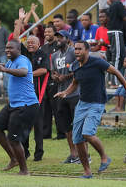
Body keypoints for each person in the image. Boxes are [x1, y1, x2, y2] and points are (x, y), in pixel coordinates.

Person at [55, 41, 126, 178]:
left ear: (87, 50)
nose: (76, 51)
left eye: (79, 49)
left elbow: (117, 73)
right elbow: (75, 82)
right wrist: (66, 92)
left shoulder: (97, 62)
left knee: (88, 134)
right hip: (82, 104)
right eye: (75, 49)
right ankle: (87, 172)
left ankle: (104, 157)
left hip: (96, 103)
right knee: (77, 139)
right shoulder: (75, 66)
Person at [0, 39, 39, 175]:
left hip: (26, 105)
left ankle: (24, 170)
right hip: (14, 104)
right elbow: (1, 65)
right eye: (6, 48)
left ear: (18, 50)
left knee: (14, 138)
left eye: (11, 48)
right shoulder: (11, 61)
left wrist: (5, 69)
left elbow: (23, 72)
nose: (7, 50)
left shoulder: (22, 60)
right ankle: (14, 158)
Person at [52, 30, 80, 164]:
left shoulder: (74, 52)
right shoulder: (54, 55)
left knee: (78, 125)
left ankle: (84, 154)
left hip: (74, 93)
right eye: (57, 37)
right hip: (61, 93)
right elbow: (53, 72)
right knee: (67, 127)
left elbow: (78, 70)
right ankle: (73, 154)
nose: (58, 39)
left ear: (67, 39)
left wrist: (66, 76)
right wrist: (56, 77)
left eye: (61, 37)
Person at [21, 35, 50, 161]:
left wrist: (27, 74)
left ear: (39, 44)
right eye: (28, 43)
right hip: (25, 95)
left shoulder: (43, 54)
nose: (30, 44)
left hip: (38, 94)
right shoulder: (24, 54)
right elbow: (15, 38)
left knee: (38, 125)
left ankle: (39, 153)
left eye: (33, 42)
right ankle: (25, 151)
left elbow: (43, 70)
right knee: (24, 124)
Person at [40, 25, 64, 140]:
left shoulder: (59, 47)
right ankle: (46, 133)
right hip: (45, 81)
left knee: (57, 107)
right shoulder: (43, 48)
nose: (46, 34)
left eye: (49, 32)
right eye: (45, 32)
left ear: (55, 34)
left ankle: (61, 133)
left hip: (56, 80)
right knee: (45, 108)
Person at [106, 0, 126, 79]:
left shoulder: (112, 5)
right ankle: (114, 81)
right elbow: (125, 18)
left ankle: (115, 79)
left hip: (112, 31)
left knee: (120, 55)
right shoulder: (118, 4)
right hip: (116, 31)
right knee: (117, 56)